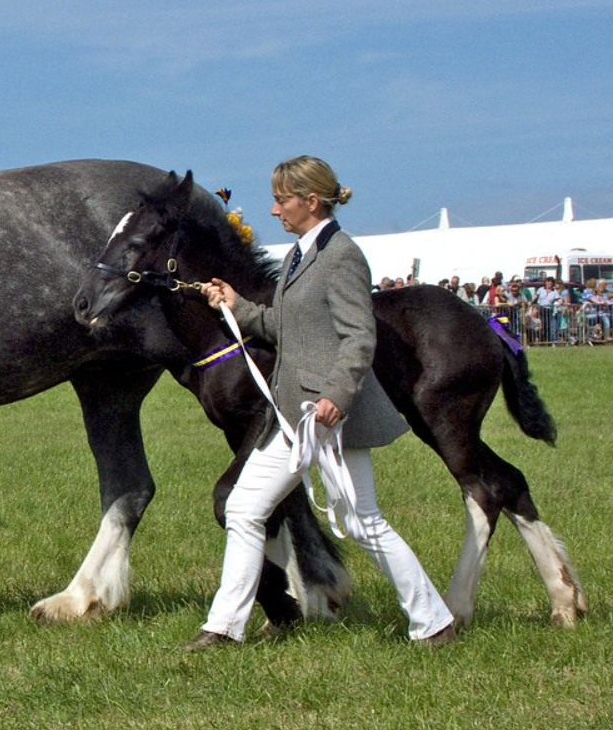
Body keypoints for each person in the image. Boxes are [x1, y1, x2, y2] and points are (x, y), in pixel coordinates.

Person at [188, 156, 455, 650]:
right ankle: (224, 628)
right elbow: (284, 330)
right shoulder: (297, 256)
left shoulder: (342, 256)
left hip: (329, 416)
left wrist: (337, 394)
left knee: (361, 521)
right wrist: (235, 305)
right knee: (245, 508)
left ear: (311, 202)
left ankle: (433, 622)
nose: (273, 210)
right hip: (291, 416)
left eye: (281, 199)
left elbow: (359, 337)